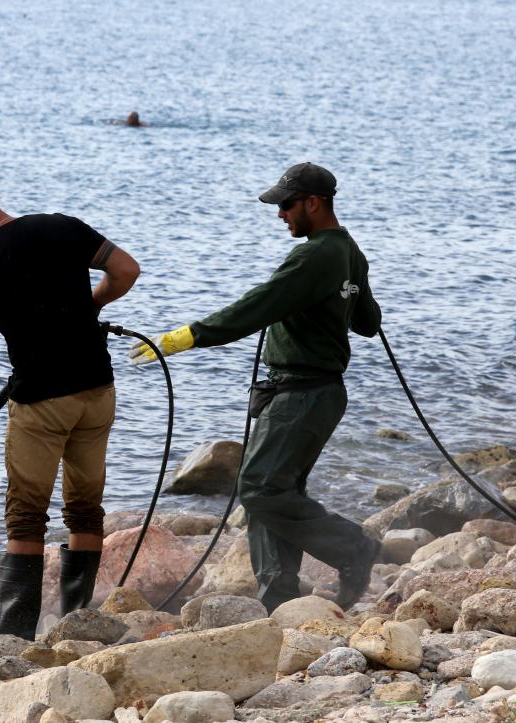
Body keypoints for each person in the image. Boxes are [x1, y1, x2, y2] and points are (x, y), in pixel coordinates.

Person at [128, 162, 382, 613]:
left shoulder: (315, 256)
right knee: (274, 489)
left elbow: (258, 306)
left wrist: (186, 336)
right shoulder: (346, 251)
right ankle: (278, 599)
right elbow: (368, 323)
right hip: (318, 393)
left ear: (313, 203)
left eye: (286, 205)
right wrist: (347, 290)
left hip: (302, 393)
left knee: (260, 489)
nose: (280, 214)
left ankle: (352, 548)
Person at [0, 182, 140, 639]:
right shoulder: (62, 228)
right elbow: (126, 270)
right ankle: (75, 623)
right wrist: (89, 307)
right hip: (97, 391)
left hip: (41, 400)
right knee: (85, 509)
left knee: (26, 514)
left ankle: (16, 631)